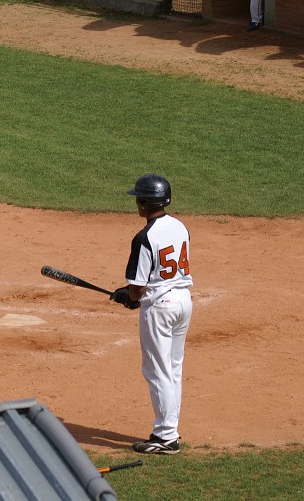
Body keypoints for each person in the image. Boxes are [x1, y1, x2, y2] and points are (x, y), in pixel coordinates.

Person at [110, 174, 193, 455]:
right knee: (173, 368)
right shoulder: (180, 226)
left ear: (145, 202)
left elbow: (138, 287)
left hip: (160, 308)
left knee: (157, 371)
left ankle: (165, 437)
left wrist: (128, 296)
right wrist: (133, 296)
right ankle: (170, 429)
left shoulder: (144, 238)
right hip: (183, 301)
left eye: (138, 199)